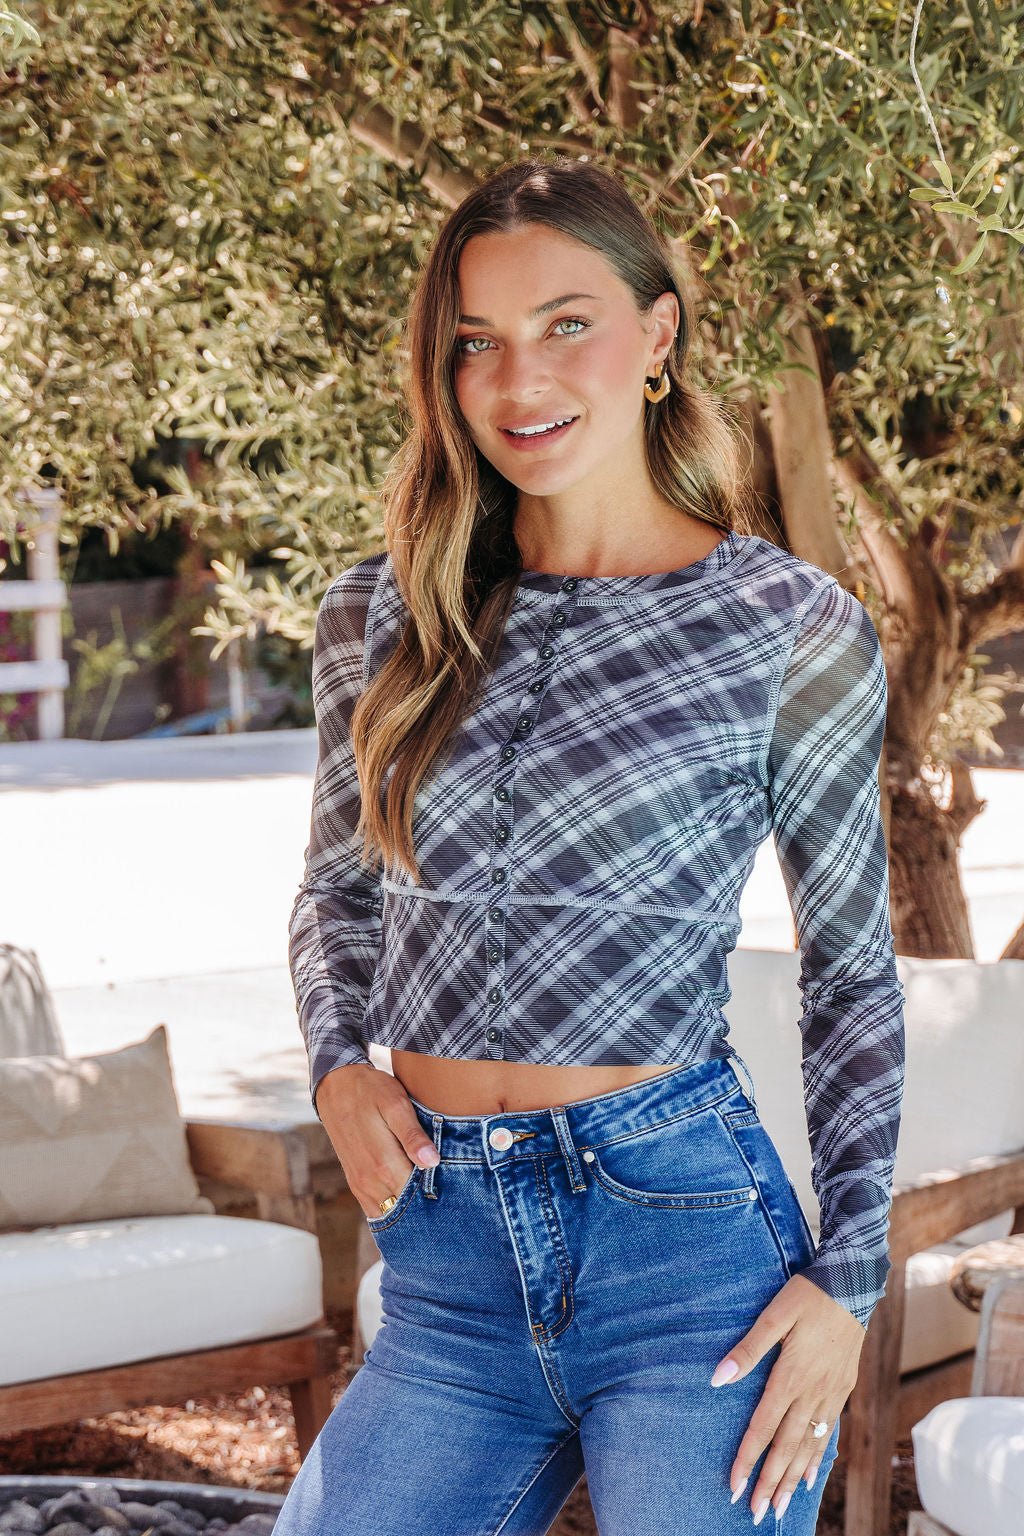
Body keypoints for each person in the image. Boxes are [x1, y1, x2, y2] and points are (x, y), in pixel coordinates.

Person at [276, 155, 906, 1535]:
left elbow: (851, 971)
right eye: (476, 342)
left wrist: (849, 1283)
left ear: (658, 334)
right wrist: (335, 1068)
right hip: (447, 1267)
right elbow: (336, 895)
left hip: (687, 1257)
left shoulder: (784, 628)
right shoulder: (378, 616)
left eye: (567, 323)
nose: (520, 382)